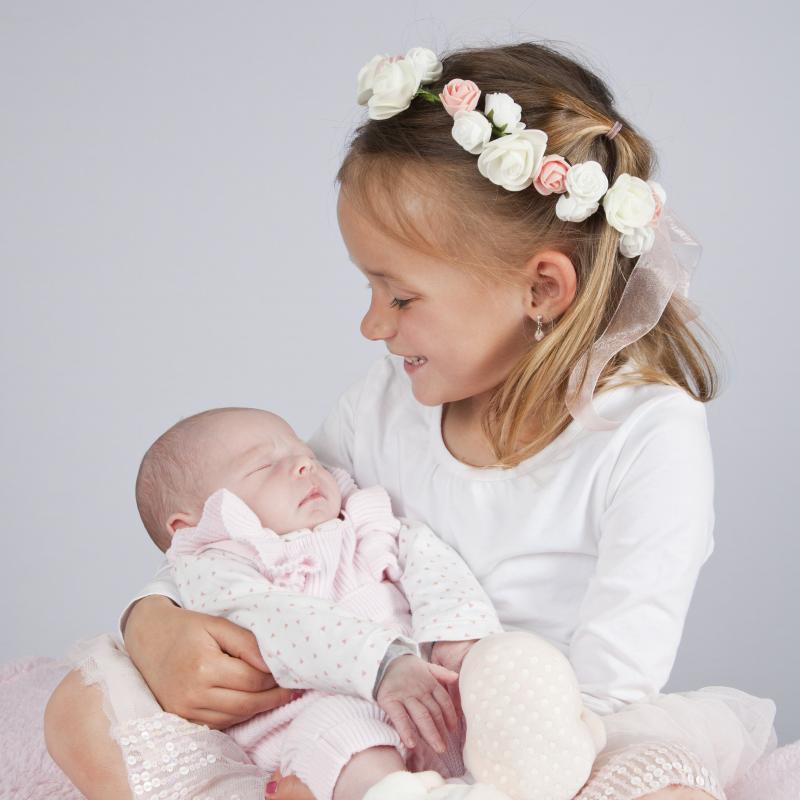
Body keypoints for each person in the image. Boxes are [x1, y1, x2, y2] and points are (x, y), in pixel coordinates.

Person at [45, 41, 777, 800]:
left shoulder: (647, 437)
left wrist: (493, 757)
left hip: (558, 743)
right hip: (372, 725)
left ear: (542, 290)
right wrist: (154, 619)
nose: (372, 326)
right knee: (81, 706)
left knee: (665, 790)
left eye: (399, 297)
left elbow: (614, 686)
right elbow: (262, 534)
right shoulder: (383, 405)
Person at [133, 405, 605, 800]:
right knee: (342, 732)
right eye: (263, 465)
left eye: (306, 454)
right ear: (190, 525)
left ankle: (531, 771)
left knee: (502, 668)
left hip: (427, 693)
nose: (304, 465)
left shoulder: (362, 521)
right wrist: (382, 664)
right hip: (319, 716)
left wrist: (458, 640)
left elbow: (427, 561)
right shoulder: (218, 568)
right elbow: (279, 621)